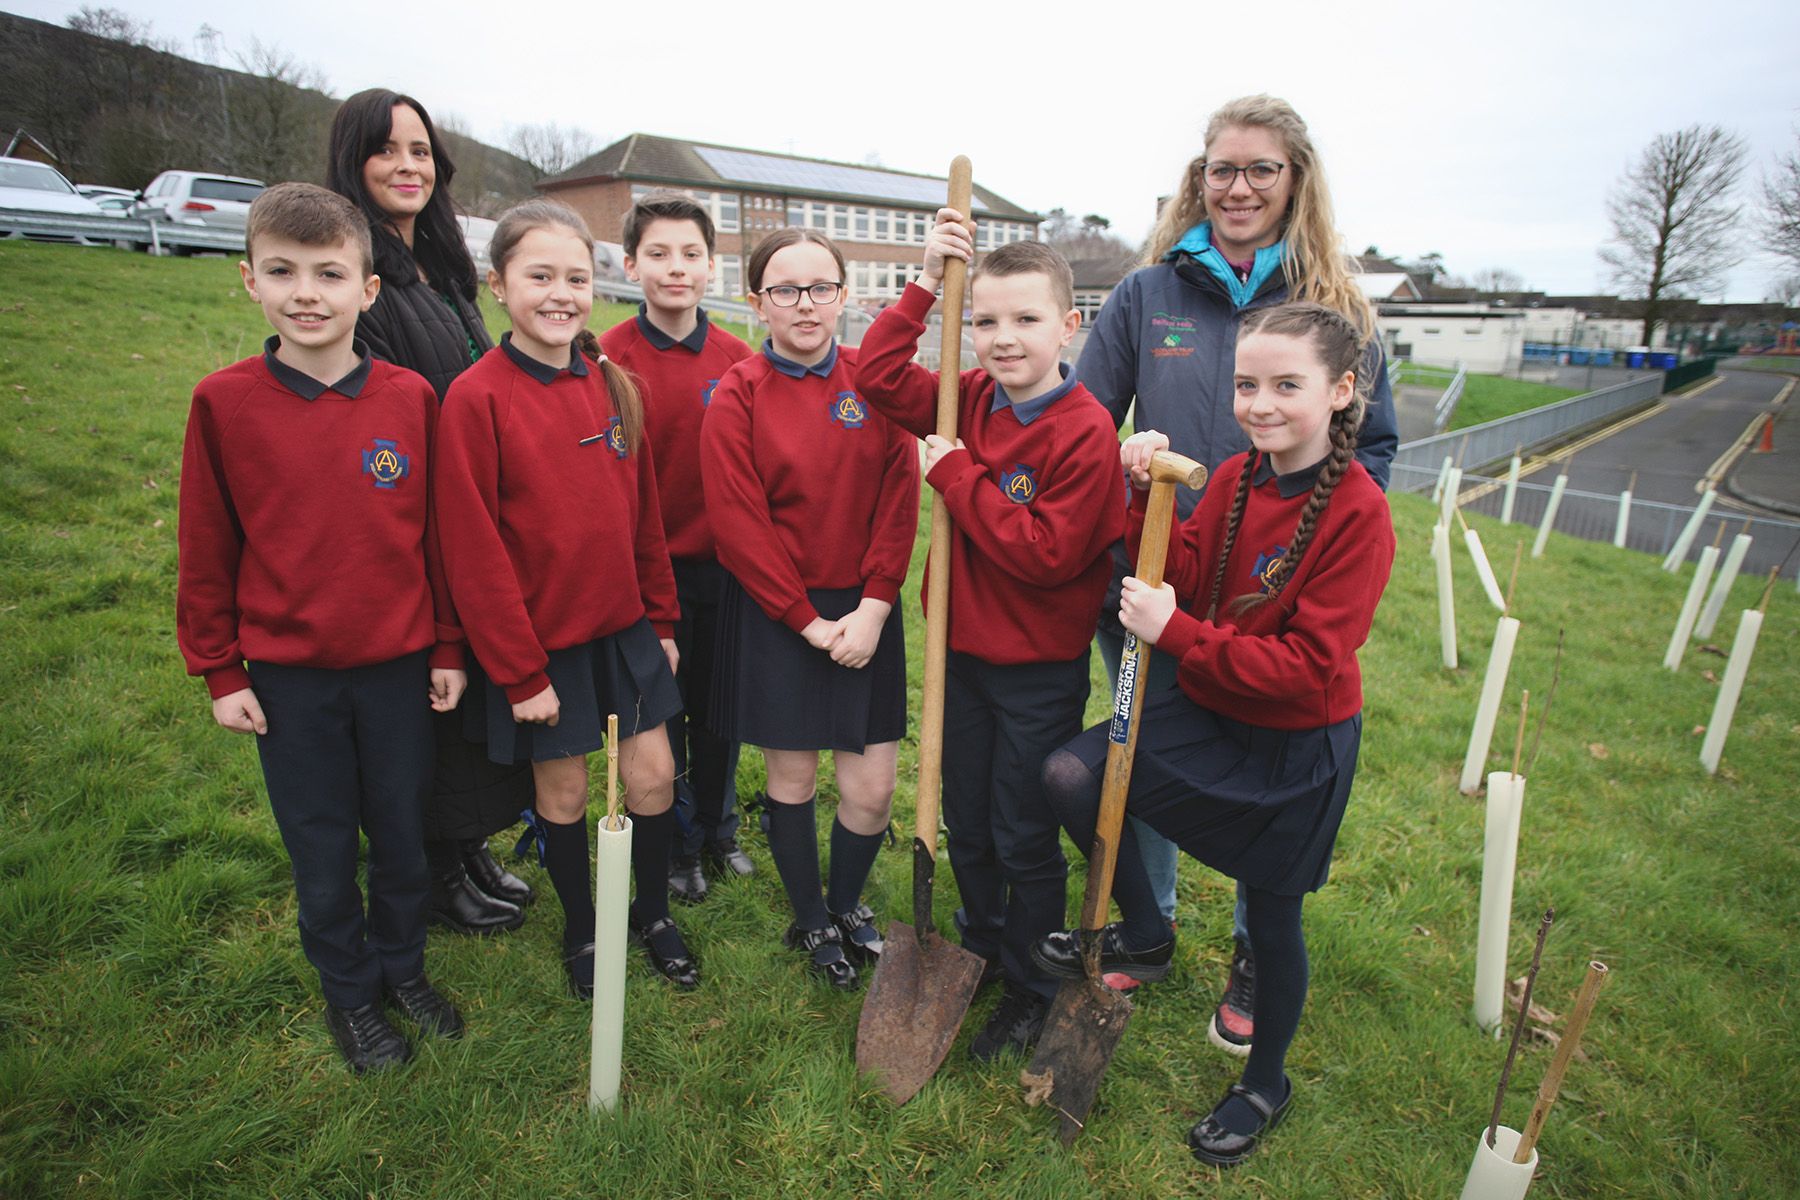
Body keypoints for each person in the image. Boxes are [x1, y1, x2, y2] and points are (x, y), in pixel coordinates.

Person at [1033, 302, 1395, 1166]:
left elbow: (1308, 666)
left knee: (1272, 919)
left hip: (1293, 742)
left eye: (1286, 385)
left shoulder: (1358, 513)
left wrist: (1176, 633)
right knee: (1071, 778)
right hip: (1209, 705)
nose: (1260, 402)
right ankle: (1147, 933)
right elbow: (1184, 573)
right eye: (1245, 384)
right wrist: (1143, 495)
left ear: (1342, 391)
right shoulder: (1235, 478)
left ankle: (1265, 1081)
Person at [1076, 93, 1398, 1052]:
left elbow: (1371, 452)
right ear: (1198, 177)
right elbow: (1090, 419)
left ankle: (1258, 947)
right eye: (1223, 168)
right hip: (1159, 578)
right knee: (1143, 758)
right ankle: (1153, 918)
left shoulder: (1336, 307)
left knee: (1268, 778)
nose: (1240, 186)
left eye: (1262, 168)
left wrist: (1295, 549)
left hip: (1275, 599)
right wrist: (1128, 469)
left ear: (1296, 179)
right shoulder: (1149, 294)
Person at [176, 182, 466, 1073]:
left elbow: (440, 539)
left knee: (403, 835)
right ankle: (351, 997)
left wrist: (448, 644)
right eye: (283, 271)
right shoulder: (226, 404)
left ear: (367, 290)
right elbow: (205, 545)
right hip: (289, 680)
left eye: (329, 273)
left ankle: (404, 969)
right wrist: (221, 672)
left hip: (397, 668)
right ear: (249, 281)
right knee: (323, 846)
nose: (307, 292)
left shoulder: (411, 399)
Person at [855, 218, 1123, 1059]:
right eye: (987, 321)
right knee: (966, 821)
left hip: (1036, 671)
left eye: (1026, 321)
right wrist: (929, 281)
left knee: (1020, 830)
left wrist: (956, 474)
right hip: (956, 659)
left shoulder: (1085, 432)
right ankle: (975, 947)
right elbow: (873, 373)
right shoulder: (963, 397)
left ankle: (1032, 985)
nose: (1003, 340)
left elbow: (1044, 554)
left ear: (1068, 326)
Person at [432, 200, 694, 998]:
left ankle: (651, 913)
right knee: (567, 788)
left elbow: (643, 517)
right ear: (497, 284)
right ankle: (584, 929)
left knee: (652, 776)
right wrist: (518, 670)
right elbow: (470, 551)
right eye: (539, 275)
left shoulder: (614, 385)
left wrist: (662, 617)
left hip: (624, 632)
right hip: (541, 649)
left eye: (576, 277)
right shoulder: (475, 399)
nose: (560, 293)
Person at [326, 87, 531, 937]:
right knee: (429, 706)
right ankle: (434, 867)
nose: (407, 166)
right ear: (354, 161)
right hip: (411, 514)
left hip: (468, 505)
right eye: (387, 150)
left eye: (420, 151)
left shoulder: (441, 267)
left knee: (469, 694)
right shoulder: (361, 272)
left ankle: (467, 843)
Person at [700, 228, 920, 990]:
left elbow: (900, 497)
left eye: (820, 287)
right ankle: (810, 917)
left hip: (866, 609)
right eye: (785, 290)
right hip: (779, 613)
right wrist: (804, 620)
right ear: (756, 301)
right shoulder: (738, 392)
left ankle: (849, 902)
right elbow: (737, 522)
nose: (805, 304)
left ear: (845, 294)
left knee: (872, 788)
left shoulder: (877, 384)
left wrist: (875, 606)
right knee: (791, 779)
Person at [600, 192, 754, 906]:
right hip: (644, 579)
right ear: (631, 264)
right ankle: (679, 840)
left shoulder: (738, 361)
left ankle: (722, 828)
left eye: (690, 254)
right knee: (662, 714)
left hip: (725, 571)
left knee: (720, 709)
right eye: (658, 254)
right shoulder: (604, 360)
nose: (675, 268)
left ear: (712, 267)